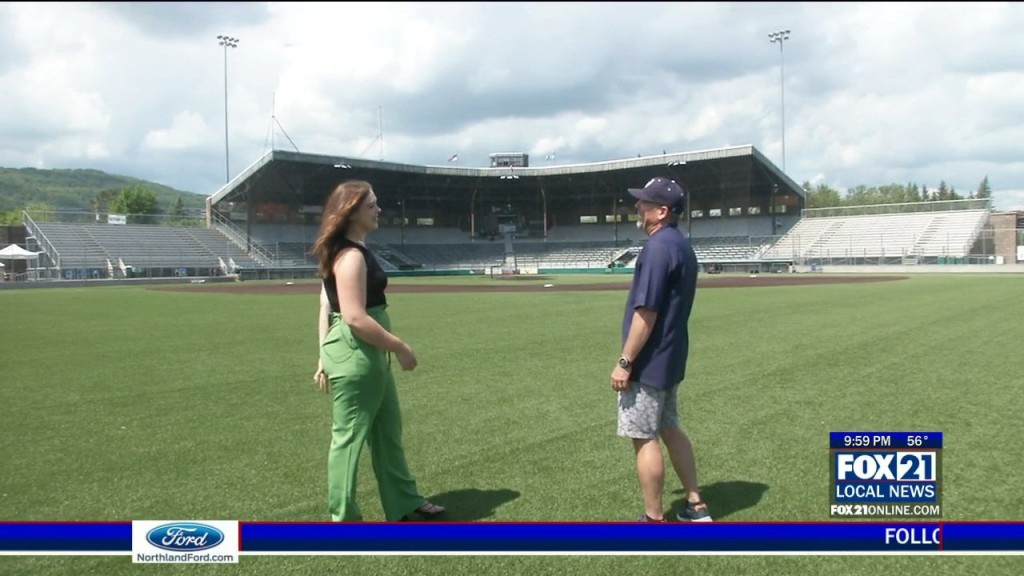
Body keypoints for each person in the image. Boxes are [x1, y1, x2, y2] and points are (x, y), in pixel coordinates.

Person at [310, 179, 445, 522]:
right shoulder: (351, 256)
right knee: (348, 440)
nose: (378, 210)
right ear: (352, 212)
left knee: (387, 432)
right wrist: (400, 347)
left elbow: (326, 302)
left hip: (365, 352)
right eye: (372, 205)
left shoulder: (348, 250)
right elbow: (353, 316)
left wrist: (324, 354)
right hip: (358, 351)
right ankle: (344, 519)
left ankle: (403, 500)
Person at [610, 176, 712, 523]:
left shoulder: (656, 249)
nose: (637, 208)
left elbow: (646, 313)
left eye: (644, 203)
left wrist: (625, 362)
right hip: (670, 358)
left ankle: (653, 519)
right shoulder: (681, 244)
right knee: (670, 427)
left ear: (662, 211)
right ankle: (695, 504)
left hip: (649, 361)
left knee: (644, 436)